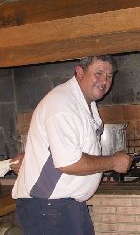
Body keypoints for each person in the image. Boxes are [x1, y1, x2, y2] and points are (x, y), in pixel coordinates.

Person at [10, 55, 132, 235]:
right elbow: (69, 162)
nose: (105, 81)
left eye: (110, 75)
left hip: (64, 207)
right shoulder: (63, 104)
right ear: (79, 72)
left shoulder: (84, 103)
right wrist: (114, 162)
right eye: (98, 73)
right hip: (48, 209)